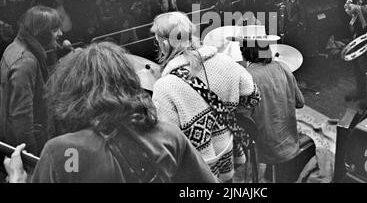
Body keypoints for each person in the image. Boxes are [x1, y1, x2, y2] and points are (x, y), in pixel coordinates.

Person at [3, 42, 217, 183]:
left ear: (71, 92)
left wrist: (17, 178)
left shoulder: (62, 152)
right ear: (131, 82)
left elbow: (71, 165)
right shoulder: (169, 135)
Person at [150, 12, 260, 182]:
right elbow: (253, 97)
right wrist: (226, 110)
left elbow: (170, 141)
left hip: (196, 168)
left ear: (164, 43)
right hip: (227, 149)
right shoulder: (225, 61)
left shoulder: (164, 87)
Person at [234, 24, 306, 182]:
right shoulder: (283, 67)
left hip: (265, 150)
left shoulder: (246, 77)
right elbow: (300, 103)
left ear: (244, 50)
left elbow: (244, 120)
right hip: (290, 143)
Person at [0, 6, 62, 156]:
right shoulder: (26, 62)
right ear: (40, 32)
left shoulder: (14, 46)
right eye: (55, 30)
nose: (60, 33)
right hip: (26, 145)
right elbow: (22, 115)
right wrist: (30, 155)